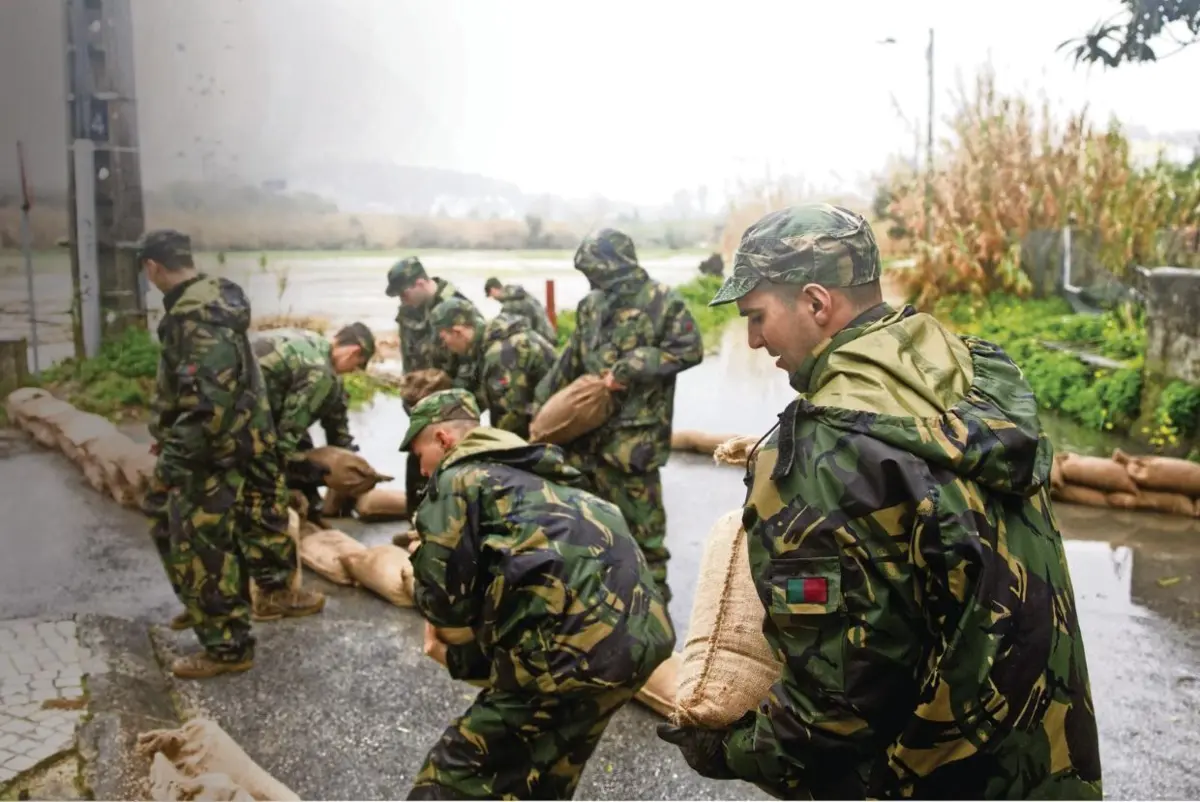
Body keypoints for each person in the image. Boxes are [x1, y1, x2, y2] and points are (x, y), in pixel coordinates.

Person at [656, 204, 1102, 799]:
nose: (754, 340)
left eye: (757, 316)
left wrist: (731, 749)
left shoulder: (826, 453)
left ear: (816, 304)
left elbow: (834, 706)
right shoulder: (974, 371)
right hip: (1050, 766)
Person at [401, 389, 675, 800]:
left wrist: (422, 561)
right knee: (545, 774)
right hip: (639, 647)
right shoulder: (538, 475)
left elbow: (447, 602)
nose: (422, 471)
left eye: (419, 453)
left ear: (442, 440)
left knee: (450, 778)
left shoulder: (458, 479)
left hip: (566, 656)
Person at [137, 229, 326, 680]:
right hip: (240, 439)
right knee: (237, 523)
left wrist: (172, 461)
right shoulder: (213, 301)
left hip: (211, 451)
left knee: (199, 542)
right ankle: (220, 605)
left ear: (152, 268)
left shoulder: (194, 317)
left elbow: (207, 407)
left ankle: (225, 644)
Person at [535, 229, 703, 604]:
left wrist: (630, 367)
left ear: (617, 265)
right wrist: (544, 401)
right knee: (587, 528)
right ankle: (601, 609)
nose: (593, 280)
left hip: (632, 444)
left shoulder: (663, 302)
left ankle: (654, 612)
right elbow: (573, 356)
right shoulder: (591, 305)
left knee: (644, 537)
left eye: (597, 271)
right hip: (586, 440)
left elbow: (689, 350)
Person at [251, 323, 375, 523]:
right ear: (354, 352)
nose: (352, 372)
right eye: (357, 366)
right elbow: (286, 439)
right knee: (287, 463)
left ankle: (310, 507)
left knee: (303, 448)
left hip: (237, 387)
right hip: (239, 404)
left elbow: (336, 425)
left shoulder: (312, 341)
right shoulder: (319, 373)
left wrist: (350, 464)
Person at [385, 257, 479, 505]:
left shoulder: (455, 306)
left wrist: (454, 405)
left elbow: (471, 356)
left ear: (420, 283)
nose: (401, 300)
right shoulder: (408, 312)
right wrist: (409, 396)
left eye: (403, 294)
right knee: (416, 461)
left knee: (451, 464)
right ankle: (417, 523)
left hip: (451, 406)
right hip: (422, 404)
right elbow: (408, 357)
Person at [430, 297, 557, 440]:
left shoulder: (500, 353)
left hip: (556, 433)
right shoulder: (488, 343)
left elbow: (511, 423)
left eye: (443, 338)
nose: (444, 346)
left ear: (457, 332)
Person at [483, 277, 557, 342]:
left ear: (493, 290)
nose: (493, 298)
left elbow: (509, 328)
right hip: (548, 334)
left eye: (491, 295)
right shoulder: (518, 294)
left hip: (542, 339)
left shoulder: (509, 304)